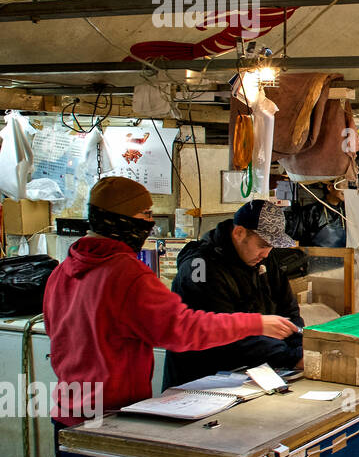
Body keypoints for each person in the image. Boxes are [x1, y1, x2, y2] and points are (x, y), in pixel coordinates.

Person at [43, 177, 297, 431]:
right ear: (119, 219)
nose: (149, 222)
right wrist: (254, 324)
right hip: (113, 418)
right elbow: (182, 328)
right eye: (144, 213)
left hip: (68, 414)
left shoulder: (62, 271)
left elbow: (57, 334)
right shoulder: (129, 274)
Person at [163, 200, 305, 389]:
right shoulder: (200, 267)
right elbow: (224, 333)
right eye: (262, 244)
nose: (266, 253)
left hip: (250, 378)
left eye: (272, 246)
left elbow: (289, 312)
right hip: (199, 385)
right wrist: (289, 357)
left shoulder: (265, 261)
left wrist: (302, 349)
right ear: (239, 232)